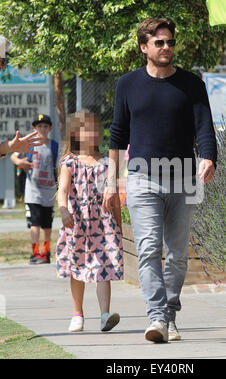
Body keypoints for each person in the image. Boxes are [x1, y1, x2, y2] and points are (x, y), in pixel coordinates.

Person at [103, 17, 217, 343]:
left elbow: (204, 128)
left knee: (178, 254)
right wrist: (111, 181)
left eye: (169, 42)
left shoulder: (191, 84)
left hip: (184, 178)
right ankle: (156, 317)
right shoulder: (127, 85)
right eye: (159, 43)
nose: (166, 47)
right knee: (149, 248)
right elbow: (117, 135)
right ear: (144, 47)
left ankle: (169, 314)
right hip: (142, 178)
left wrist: (208, 157)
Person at [56, 110, 123, 333]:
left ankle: (105, 315)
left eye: (95, 128)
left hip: (103, 225)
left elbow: (113, 199)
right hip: (77, 224)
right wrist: (63, 210)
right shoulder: (69, 162)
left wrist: (119, 227)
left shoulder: (107, 163)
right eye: (86, 128)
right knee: (78, 267)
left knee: (104, 268)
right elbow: (62, 190)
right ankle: (78, 314)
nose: (92, 133)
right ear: (75, 133)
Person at [11, 114, 58, 264]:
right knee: (35, 224)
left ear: (50, 128)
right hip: (33, 192)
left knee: (47, 226)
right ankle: (35, 252)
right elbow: (14, 156)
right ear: (34, 128)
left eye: (45, 126)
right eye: (39, 126)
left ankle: (46, 252)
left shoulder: (54, 146)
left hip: (48, 192)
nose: (42, 129)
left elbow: (59, 166)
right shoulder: (30, 144)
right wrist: (21, 162)